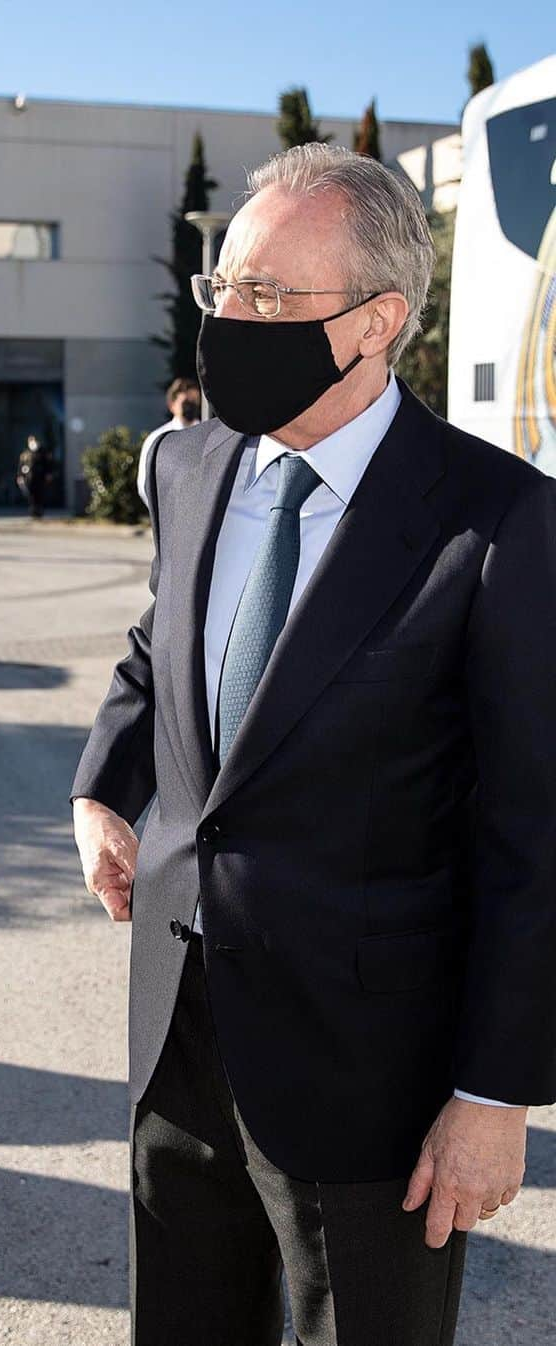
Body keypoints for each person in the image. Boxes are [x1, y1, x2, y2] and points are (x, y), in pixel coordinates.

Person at [71, 144, 556, 1346]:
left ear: (378, 321)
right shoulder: (188, 467)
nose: (232, 319)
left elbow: (534, 833)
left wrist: (494, 1095)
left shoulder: (496, 519)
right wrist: (102, 783)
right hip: (177, 1035)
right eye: (224, 287)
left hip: (370, 1083)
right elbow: (153, 648)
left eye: (273, 299)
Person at [135, 376, 201, 506]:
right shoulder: (158, 439)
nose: (191, 406)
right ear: (172, 405)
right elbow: (145, 484)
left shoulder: (210, 437)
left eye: (195, 401)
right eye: (186, 402)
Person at [16, 434, 54, 517]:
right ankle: (33, 510)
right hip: (29, 479)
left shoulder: (43, 452)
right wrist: (20, 476)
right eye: (31, 440)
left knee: (40, 495)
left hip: (40, 477)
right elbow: (21, 466)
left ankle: (40, 510)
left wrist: (49, 474)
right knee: (31, 495)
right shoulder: (25, 454)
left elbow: (48, 464)